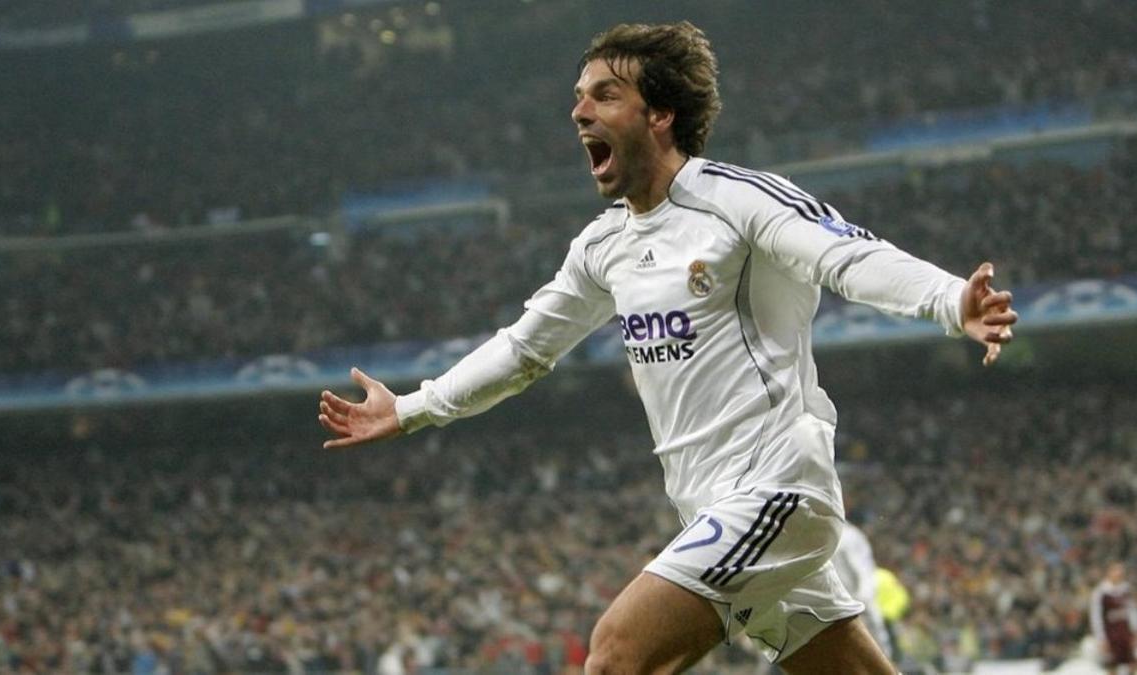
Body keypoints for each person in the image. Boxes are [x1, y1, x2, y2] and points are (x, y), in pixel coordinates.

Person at [318, 21, 1017, 674]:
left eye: (604, 95)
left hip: (776, 488)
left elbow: (845, 256)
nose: (579, 112)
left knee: (616, 653)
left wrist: (952, 301)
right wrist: (410, 409)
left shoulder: (735, 201)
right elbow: (525, 348)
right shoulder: (605, 245)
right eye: (578, 97)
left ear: (660, 115)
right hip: (711, 505)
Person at [832, 521, 893, 658]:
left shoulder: (848, 536)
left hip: (855, 604)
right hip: (839, 607)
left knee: (876, 650)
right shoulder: (822, 535)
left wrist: (862, 602)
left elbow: (863, 571)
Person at [1090, 562, 1137, 674]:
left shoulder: (1126, 590)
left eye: (1121, 571)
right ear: (1108, 572)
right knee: (1112, 664)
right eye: (1116, 570)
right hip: (1110, 632)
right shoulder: (1101, 592)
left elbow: (1133, 612)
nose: (1119, 573)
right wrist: (1100, 637)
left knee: (1134, 661)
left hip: (1126, 630)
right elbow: (1096, 617)